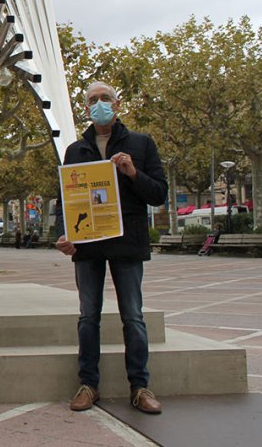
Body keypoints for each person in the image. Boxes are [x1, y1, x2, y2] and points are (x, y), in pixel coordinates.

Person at [54, 81, 167, 415]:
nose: (98, 104)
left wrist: (133, 172)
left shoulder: (141, 144)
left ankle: (140, 386)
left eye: (105, 98)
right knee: (88, 316)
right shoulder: (75, 150)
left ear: (117, 105)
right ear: (85, 108)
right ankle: (88, 384)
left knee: (133, 316)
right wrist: (65, 234)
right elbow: (65, 200)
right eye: (92, 100)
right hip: (87, 246)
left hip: (126, 243)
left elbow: (159, 194)